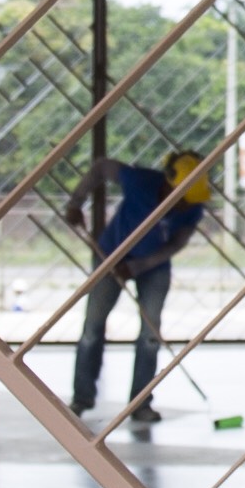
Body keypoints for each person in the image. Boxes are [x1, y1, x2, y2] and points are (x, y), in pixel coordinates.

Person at [70, 148, 214, 433]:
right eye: (181, 200)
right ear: (169, 183)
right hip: (110, 256)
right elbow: (101, 166)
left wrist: (140, 266)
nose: (184, 207)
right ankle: (81, 399)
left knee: (150, 334)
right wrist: (77, 201)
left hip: (154, 267)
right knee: (92, 327)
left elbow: (176, 244)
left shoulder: (194, 206)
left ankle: (141, 403)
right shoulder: (140, 181)